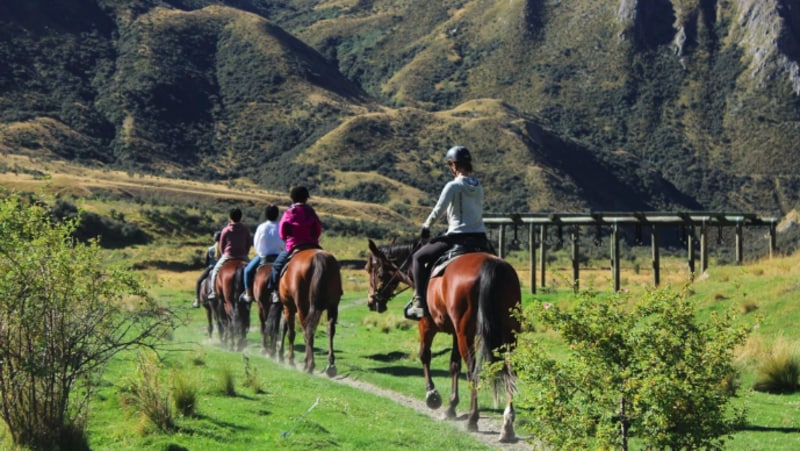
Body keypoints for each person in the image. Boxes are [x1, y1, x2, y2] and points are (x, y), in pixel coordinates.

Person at [405, 145, 487, 320]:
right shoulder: (479, 186)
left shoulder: (453, 186)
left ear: (454, 166)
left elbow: (438, 210)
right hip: (480, 239)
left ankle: (419, 302)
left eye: (450, 165)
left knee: (418, 257)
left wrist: (426, 227)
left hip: (457, 237)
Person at [266, 186, 322, 303]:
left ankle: (275, 292)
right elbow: (318, 228)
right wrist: (313, 239)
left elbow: (282, 232)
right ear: (306, 198)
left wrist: (287, 239)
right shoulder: (311, 212)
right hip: (312, 245)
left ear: (292, 198)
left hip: (293, 246)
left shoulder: (289, 212)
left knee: (276, 266)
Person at [240, 205, 284, 303]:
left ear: (266, 215)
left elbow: (256, 243)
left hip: (264, 257)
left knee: (247, 271)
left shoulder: (262, 227)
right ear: (277, 215)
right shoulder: (281, 226)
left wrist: (260, 252)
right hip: (280, 257)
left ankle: (248, 294)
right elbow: (285, 242)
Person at [208, 207, 251, 300]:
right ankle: (251, 292)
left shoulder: (226, 230)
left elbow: (222, 245)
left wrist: (225, 254)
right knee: (253, 271)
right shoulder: (245, 230)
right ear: (240, 217)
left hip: (228, 255)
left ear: (230, 217)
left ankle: (213, 292)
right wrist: (245, 253)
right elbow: (248, 243)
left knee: (215, 271)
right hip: (243, 256)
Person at [192, 231, 221, 308]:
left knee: (199, 281)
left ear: (214, 239)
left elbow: (207, 262)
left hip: (211, 267)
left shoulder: (210, 249)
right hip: (222, 267)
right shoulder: (224, 249)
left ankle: (197, 300)